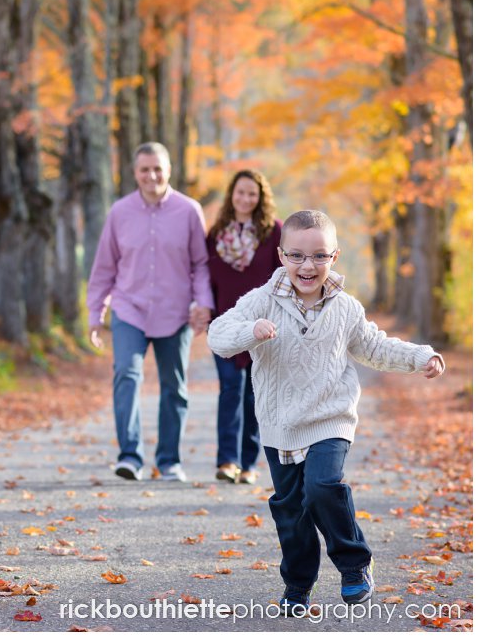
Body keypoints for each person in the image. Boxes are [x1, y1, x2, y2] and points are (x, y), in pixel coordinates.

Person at [207, 209, 444, 615]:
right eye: (297, 255)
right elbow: (218, 335)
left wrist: (420, 356)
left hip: (330, 417)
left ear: (334, 257)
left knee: (322, 486)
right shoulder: (261, 300)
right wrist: (252, 331)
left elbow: (374, 346)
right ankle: (298, 587)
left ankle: (355, 566)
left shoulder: (346, 308)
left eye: (318, 256)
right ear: (282, 255)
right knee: (292, 512)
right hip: (280, 422)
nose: (307, 266)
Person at [87, 142, 214, 482]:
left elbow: (201, 265)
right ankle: (130, 456)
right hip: (130, 309)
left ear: (168, 170)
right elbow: (103, 269)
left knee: (174, 385)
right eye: (145, 169)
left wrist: (204, 304)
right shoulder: (120, 212)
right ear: (135, 173)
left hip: (175, 314)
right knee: (126, 376)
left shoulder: (189, 211)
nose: (152, 175)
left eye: (157, 168)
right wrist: (95, 316)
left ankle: (169, 460)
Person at [206, 170, 282, 485]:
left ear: (261, 197)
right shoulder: (215, 234)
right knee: (229, 389)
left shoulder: (274, 233)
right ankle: (227, 461)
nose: (246, 199)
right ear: (231, 195)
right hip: (225, 323)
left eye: (253, 193)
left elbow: (282, 278)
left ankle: (249, 464)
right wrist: (206, 313)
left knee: (253, 394)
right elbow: (206, 278)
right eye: (241, 192)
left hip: (261, 325)